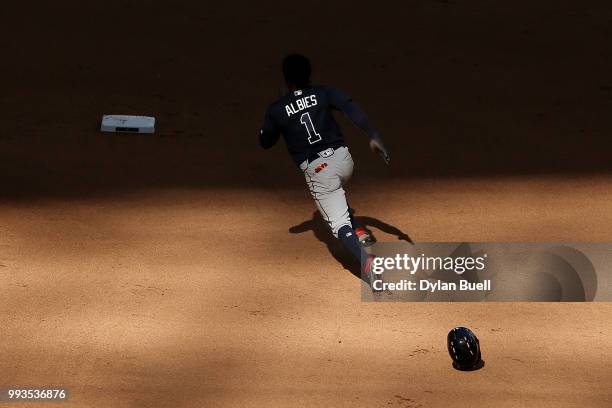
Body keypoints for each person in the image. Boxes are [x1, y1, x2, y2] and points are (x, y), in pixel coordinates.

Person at [259, 54, 390, 268]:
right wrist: (374, 135)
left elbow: (265, 141)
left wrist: (279, 114)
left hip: (319, 170)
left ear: (285, 78)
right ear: (309, 74)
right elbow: (351, 109)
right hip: (344, 161)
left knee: (338, 224)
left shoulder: (277, 109)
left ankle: (369, 265)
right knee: (336, 193)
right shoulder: (324, 92)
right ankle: (358, 229)